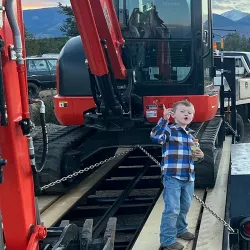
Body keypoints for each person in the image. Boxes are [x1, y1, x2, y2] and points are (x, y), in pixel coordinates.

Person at [150, 100, 204, 250]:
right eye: (183, 111)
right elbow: (155, 137)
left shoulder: (191, 136)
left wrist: (200, 155)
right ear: (173, 114)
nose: (187, 114)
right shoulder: (169, 130)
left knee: (185, 206)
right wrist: (163, 120)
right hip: (172, 176)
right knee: (172, 208)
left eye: (190, 112)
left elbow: (195, 158)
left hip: (188, 177)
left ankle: (181, 229)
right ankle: (167, 240)